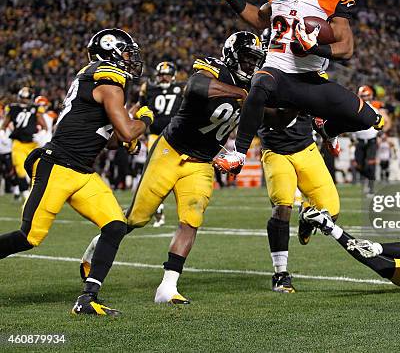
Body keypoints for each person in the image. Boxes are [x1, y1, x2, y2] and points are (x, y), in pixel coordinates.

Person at [81, 32, 264, 304]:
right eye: (248, 58)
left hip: (202, 161)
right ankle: (96, 246)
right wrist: (243, 93)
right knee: (136, 218)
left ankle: (167, 287)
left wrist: (238, 154)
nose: (251, 64)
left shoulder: (258, 84)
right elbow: (196, 87)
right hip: (171, 150)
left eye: (256, 59)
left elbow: (262, 114)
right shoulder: (215, 68)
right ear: (234, 54)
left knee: (191, 220)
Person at [0, 28, 151, 316]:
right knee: (29, 236)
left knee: (115, 225)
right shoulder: (109, 82)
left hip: (81, 171)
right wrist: (144, 119)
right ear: (113, 52)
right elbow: (128, 129)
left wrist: (126, 138)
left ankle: (87, 298)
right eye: (128, 53)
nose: (132, 59)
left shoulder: (99, 79)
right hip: (57, 166)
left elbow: (108, 138)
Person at [213, 0, 383, 174]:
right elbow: (260, 19)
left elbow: (346, 48)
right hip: (278, 73)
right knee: (260, 82)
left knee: (371, 119)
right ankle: (238, 155)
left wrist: (315, 48)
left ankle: (330, 130)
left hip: (310, 79)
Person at [259, 113, 339, 293]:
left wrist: (330, 135)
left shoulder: (308, 84)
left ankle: (306, 217)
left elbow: (320, 110)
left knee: (331, 213)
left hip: (306, 148)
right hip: (275, 150)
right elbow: (249, 111)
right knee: (282, 207)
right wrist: (240, 150)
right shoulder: (261, 84)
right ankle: (280, 274)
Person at [137, 61, 184, 227]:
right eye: (162, 74)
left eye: (167, 74)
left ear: (173, 75)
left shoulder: (182, 88)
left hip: (177, 137)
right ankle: (158, 211)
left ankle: (184, 212)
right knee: (153, 174)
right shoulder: (149, 89)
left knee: (180, 174)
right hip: (155, 136)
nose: (164, 77)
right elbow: (140, 108)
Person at [0, 87, 46, 200]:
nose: (25, 100)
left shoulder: (35, 109)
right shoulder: (12, 108)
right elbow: (4, 125)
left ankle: (31, 192)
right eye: (23, 98)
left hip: (32, 144)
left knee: (34, 170)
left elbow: (44, 126)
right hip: (18, 143)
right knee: (20, 169)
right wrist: (3, 135)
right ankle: (25, 194)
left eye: (27, 98)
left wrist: (40, 136)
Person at [352, 86, 382, 194]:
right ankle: (370, 179)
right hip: (360, 140)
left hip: (371, 140)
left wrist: (380, 134)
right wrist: (353, 137)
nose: (364, 98)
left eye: (366, 96)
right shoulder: (354, 108)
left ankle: (371, 187)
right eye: (363, 96)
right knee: (357, 165)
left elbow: (382, 123)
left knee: (370, 164)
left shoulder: (374, 108)